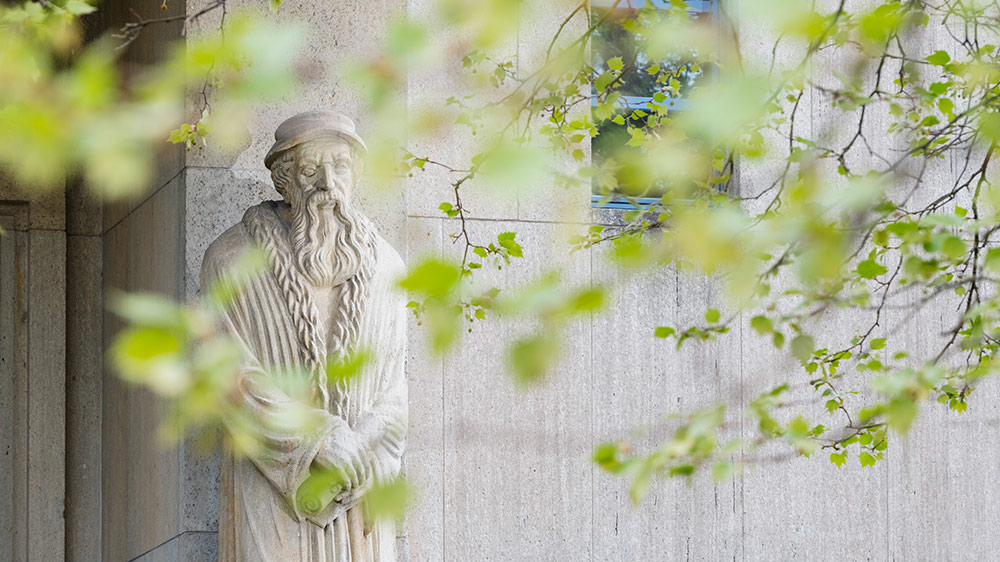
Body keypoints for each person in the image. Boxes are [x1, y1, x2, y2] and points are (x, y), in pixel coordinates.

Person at [201, 111, 407, 562]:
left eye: (342, 167)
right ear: (284, 181)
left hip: (360, 490)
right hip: (274, 490)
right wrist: (315, 438)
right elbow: (229, 376)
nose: (328, 185)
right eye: (312, 171)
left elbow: (394, 389)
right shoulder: (231, 260)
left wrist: (368, 445)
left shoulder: (389, 269)